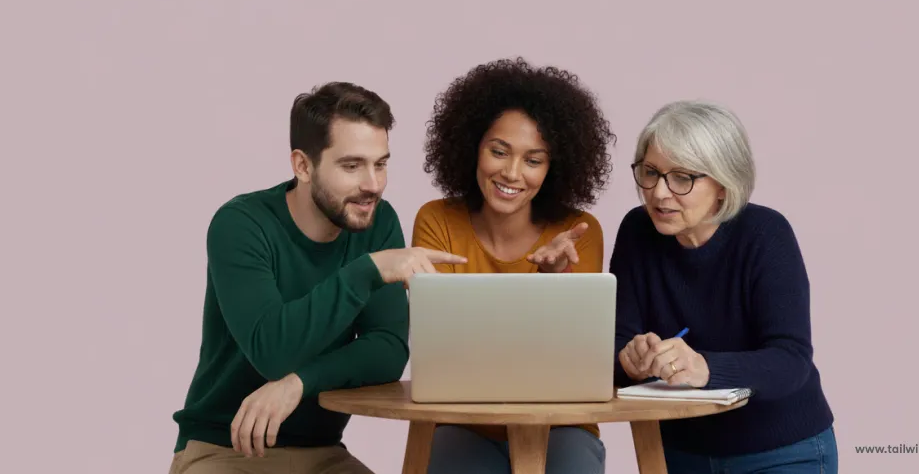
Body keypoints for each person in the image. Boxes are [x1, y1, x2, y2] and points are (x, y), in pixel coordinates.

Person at [168, 82, 466, 474]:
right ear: (303, 166)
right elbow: (272, 351)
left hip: (323, 455)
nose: (373, 184)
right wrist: (368, 272)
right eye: (352, 165)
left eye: (381, 163)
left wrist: (299, 383)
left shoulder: (378, 223)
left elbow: (388, 351)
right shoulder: (241, 225)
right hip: (224, 449)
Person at [411, 57, 616, 473]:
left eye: (533, 159)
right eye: (498, 151)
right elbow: (444, 348)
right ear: (473, 146)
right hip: (463, 424)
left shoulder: (578, 231)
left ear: (553, 167)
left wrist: (555, 278)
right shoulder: (436, 220)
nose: (512, 172)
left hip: (562, 426)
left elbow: (571, 358)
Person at [612, 101, 838, 474]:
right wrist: (630, 358)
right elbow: (617, 342)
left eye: (682, 178)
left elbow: (791, 359)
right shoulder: (637, 232)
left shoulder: (766, 234)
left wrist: (704, 367)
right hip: (678, 452)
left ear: (723, 183)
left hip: (781, 452)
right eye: (650, 172)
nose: (659, 193)